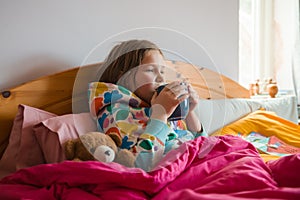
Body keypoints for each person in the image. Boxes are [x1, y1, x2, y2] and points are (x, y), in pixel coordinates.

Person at [88, 39, 206, 171]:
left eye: (162, 71)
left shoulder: (158, 105)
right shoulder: (115, 112)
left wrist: (189, 113)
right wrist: (160, 115)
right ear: (124, 77)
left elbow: (204, 148)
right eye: (151, 70)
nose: (161, 79)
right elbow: (140, 165)